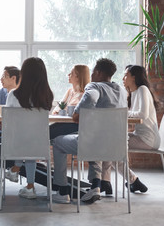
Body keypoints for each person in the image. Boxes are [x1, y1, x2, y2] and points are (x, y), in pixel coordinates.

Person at [51, 58, 127, 204]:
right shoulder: (121, 91)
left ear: (98, 73)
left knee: (58, 142)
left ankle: (62, 191)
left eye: (93, 72)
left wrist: (79, 112)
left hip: (93, 145)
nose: (91, 76)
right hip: (117, 146)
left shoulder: (94, 86)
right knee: (96, 138)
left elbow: (89, 99)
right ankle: (95, 185)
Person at [102, 65, 160, 193]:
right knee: (110, 145)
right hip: (140, 136)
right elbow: (133, 115)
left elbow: (142, 114)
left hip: (148, 139)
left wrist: (122, 113)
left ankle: (110, 181)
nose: (123, 78)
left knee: (110, 146)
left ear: (134, 77)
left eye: (126, 75)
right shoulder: (133, 93)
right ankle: (129, 181)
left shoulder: (142, 89)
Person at [4, 57, 54, 199]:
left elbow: (8, 121)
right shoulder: (47, 96)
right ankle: (30, 187)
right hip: (39, 143)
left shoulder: (14, 94)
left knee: (18, 139)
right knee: (30, 146)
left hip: (16, 142)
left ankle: (15, 168)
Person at [50, 65, 90, 140]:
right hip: (64, 123)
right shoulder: (69, 91)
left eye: (71, 73)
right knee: (46, 131)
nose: (68, 75)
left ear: (78, 77)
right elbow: (56, 109)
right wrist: (59, 110)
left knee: (48, 133)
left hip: (75, 126)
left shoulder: (85, 94)